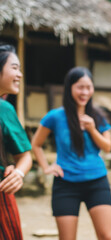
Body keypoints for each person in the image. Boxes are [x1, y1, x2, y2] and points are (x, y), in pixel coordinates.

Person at [31, 67, 111, 240]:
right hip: (65, 184)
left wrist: (92, 129)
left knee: (106, 236)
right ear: (70, 88)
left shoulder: (98, 116)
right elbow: (36, 144)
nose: (85, 92)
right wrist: (46, 167)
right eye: (80, 87)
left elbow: (107, 147)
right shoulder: (55, 116)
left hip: (97, 182)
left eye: (88, 87)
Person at [0, 43, 32, 239]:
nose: (19, 74)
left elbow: (25, 155)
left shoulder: (4, 109)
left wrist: (18, 172)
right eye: (14, 68)